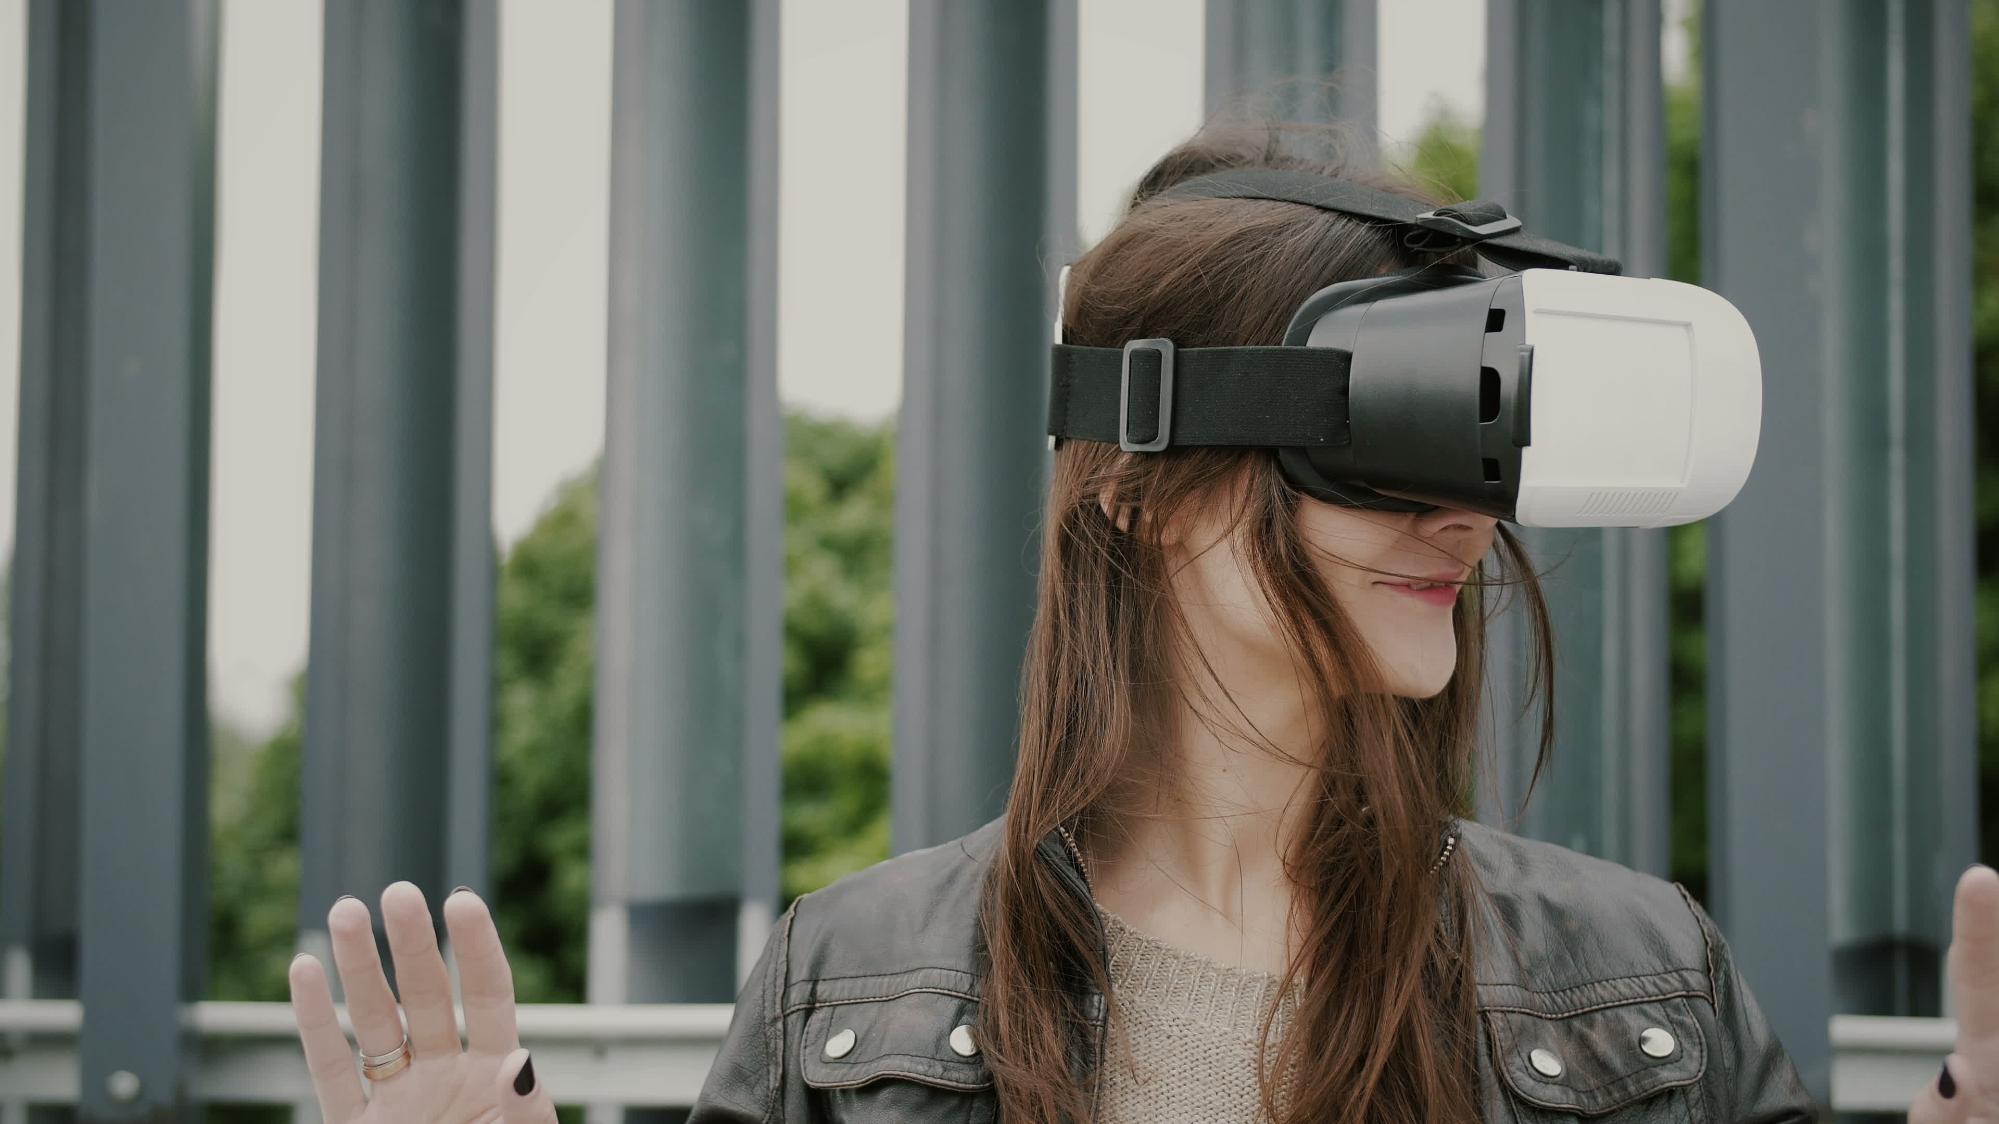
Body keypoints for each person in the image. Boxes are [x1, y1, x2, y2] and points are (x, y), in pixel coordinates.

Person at [287, 121, 1998, 1124]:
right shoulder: (849, 992)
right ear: (1139, 480)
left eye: (1490, 446)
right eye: (1398, 436)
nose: (1465, 518)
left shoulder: (1639, 986)